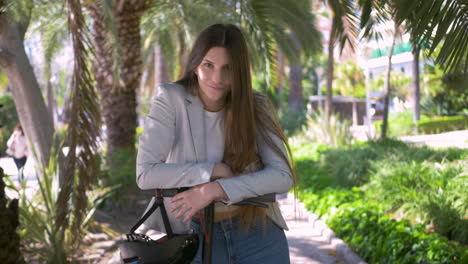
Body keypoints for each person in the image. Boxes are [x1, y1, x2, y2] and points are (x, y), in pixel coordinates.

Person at [136, 23, 295, 263]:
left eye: (228, 68)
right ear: (196, 63)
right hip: (195, 237)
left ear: (240, 71)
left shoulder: (256, 106)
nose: (216, 78)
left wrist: (213, 190)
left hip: (258, 235)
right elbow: (146, 173)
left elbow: (283, 176)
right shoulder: (171, 98)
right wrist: (212, 171)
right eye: (208, 65)